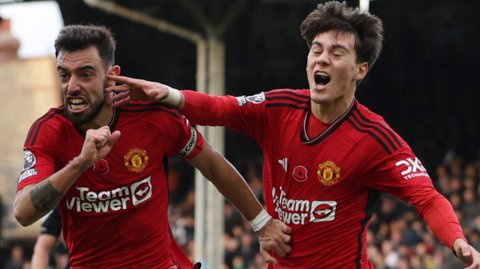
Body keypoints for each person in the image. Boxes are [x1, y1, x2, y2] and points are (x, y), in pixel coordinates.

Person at [106, 1, 480, 268]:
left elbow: (427, 198)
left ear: (360, 69)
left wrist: (458, 241)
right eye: (316, 49)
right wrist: (167, 94)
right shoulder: (278, 108)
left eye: (336, 53)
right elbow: (221, 108)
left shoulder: (375, 138)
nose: (321, 59)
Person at [13, 24, 291, 269]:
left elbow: (214, 166)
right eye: (64, 75)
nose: (72, 86)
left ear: (112, 76)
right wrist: (79, 163)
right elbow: (23, 212)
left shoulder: (153, 116)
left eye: (85, 75)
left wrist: (262, 224)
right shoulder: (48, 131)